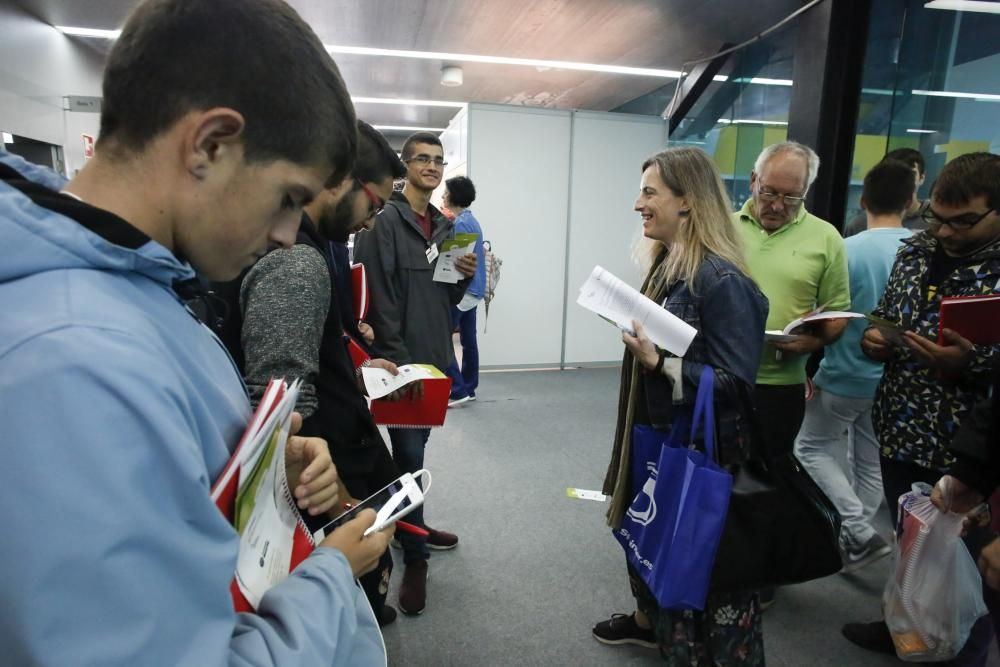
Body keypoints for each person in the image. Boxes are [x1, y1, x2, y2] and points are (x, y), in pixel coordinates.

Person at [0, 1, 393, 664]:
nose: (287, 233)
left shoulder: (139, 291)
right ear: (210, 144)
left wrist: (259, 473)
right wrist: (329, 572)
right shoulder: (72, 363)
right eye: (289, 197)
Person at [593, 147, 769, 664]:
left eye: (650, 193)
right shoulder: (670, 268)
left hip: (703, 461)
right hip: (666, 445)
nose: (637, 205)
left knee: (711, 595)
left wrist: (659, 365)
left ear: (688, 201)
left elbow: (736, 384)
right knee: (671, 582)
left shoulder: (721, 281)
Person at [239, 121, 407, 627]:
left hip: (336, 456)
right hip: (320, 483)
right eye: (373, 205)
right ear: (342, 181)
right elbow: (281, 417)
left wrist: (354, 369)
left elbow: (310, 346)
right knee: (344, 610)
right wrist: (338, 503)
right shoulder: (298, 264)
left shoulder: (320, 247)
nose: (371, 221)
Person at [843, 152, 1000, 664]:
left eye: (964, 221)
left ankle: (955, 650)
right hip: (902, 423)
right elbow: (890, 314)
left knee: (966, 562)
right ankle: (903, 630)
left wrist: (972, 361)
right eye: (936, 216)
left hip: (970, 444)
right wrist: (876, 337)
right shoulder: (915, 249)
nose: (946, 232)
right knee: (910, 537)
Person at [352, 131, 477, 615]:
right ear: (405, 167)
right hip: (398, 363)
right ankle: (416, 552)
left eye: (438, 160)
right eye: (422, 159)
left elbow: (446, 297)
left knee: (416, 450)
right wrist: (401, 359)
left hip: (433, 357)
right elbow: (375, 296)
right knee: (406, 456)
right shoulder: (382, 223)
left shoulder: (447, 229)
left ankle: (411, 528)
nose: (431, 166)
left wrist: (462, 274)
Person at [793, 159, 915, 571]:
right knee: (869, 460)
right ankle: (855, 537)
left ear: (862, 199)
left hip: (845, 374)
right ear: (912, 202)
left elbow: (823, 315)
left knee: (808, 447)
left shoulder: (846, 249)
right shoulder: (919, 252)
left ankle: (856, 530)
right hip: (893, 382)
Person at [736, 142, 850, 461]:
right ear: (753, 180)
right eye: (769, 192)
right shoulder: (722, 228)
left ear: (806, 191)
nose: (777, 206)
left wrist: (813, 342)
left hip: (781, 385)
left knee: (771, 479)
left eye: (791, 197)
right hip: (721, 377)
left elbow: (838, 312)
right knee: (714, 475)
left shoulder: (827, 239)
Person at [442, 175, 487, 406]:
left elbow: (455, 265)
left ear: (454, 196)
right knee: (469, 339)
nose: (443, 196)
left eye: (446, 192)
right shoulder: (472, 220)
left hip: (464, 291)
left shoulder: (460, 224)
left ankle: (458, 390)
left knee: (441, 338)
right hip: (475, 290)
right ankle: (469, 386)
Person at [844, 147, 928, 237]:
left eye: (911, 174)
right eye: (893, 173)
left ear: (922, 178)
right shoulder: (860, 224)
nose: (901, 179)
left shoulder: (935, 221)